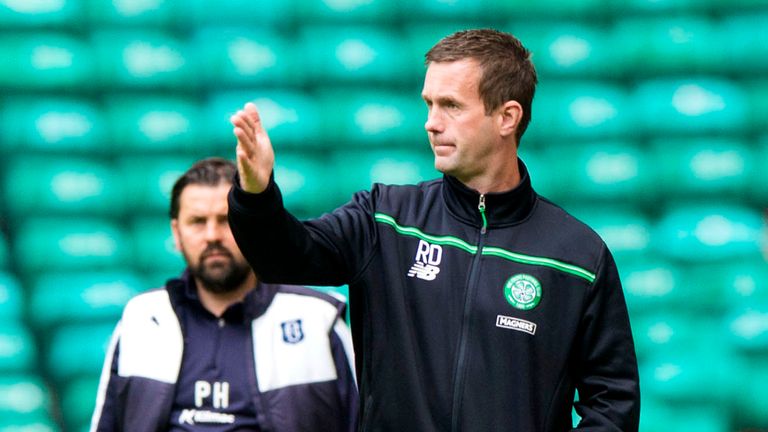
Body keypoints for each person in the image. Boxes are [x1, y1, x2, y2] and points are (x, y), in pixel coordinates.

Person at [228, 29, 640, 431]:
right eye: (428, 104)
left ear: (507, 117)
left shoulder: (576, 255)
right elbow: (283, 257)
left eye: (450, 106)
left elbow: (612, 400)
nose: (431, 123)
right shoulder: (385, 218)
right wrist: (256, 193)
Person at [90, 158, 358, 431]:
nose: (212, 236)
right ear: (176, 233)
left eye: (225, 220)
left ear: (251, 227)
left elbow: (363, 421)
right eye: (197, 222)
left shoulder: (317, 319)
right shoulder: (142, 318)